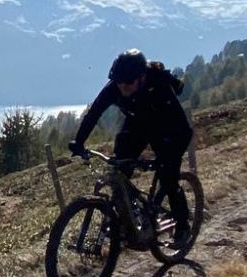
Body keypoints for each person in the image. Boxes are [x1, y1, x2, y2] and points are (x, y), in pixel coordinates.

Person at [70, 49, 194, 236]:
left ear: (142, 78)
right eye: (120, 83)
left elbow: (173, 126)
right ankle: (125, 216)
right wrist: (78, 142)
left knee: (168, 176)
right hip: (139, 124)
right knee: (119, 168)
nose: (123, 88)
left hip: (172, 128)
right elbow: (94, 113)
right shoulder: (114, 88)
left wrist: (164, 157)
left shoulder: (158, 85)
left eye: (128, 83)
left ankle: (183, 224)